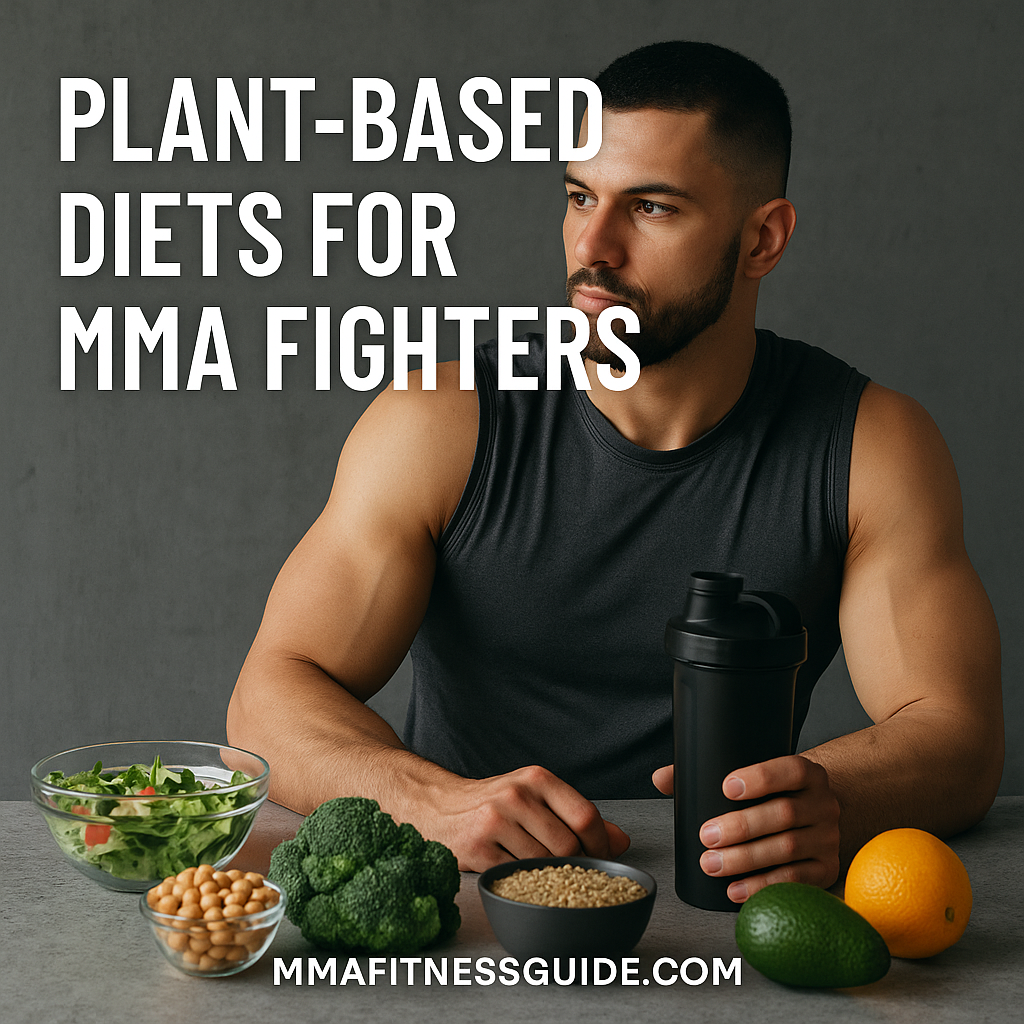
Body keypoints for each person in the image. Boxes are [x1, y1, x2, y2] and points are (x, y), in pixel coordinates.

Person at [227, 41, 1003, 901]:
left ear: (762, 239)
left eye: (652, 207)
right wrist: (429, 801)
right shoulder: (441, 422)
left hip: (734, 906)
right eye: (579, 197)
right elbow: (270, 693)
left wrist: (832, 798)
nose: (592, 246)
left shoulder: (871, 445)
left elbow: (959, 736)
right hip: (472, 908)